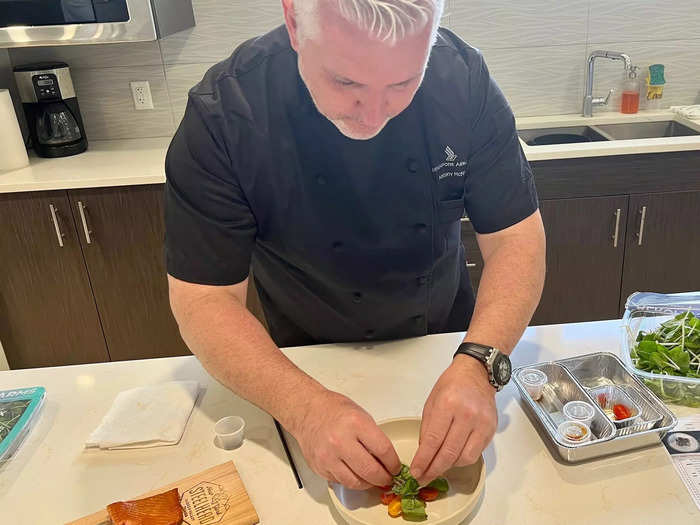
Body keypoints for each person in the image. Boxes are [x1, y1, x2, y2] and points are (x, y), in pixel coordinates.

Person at [165, 0, 545, 490]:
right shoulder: (226, 115)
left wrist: (480, 365)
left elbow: (517, 239)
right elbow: (203, 299)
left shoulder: (464, 81)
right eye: (345, 83)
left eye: (404, 83)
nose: (373, 116)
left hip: (448, 353)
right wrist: (304, 409)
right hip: (301, 366)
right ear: (295, 22)